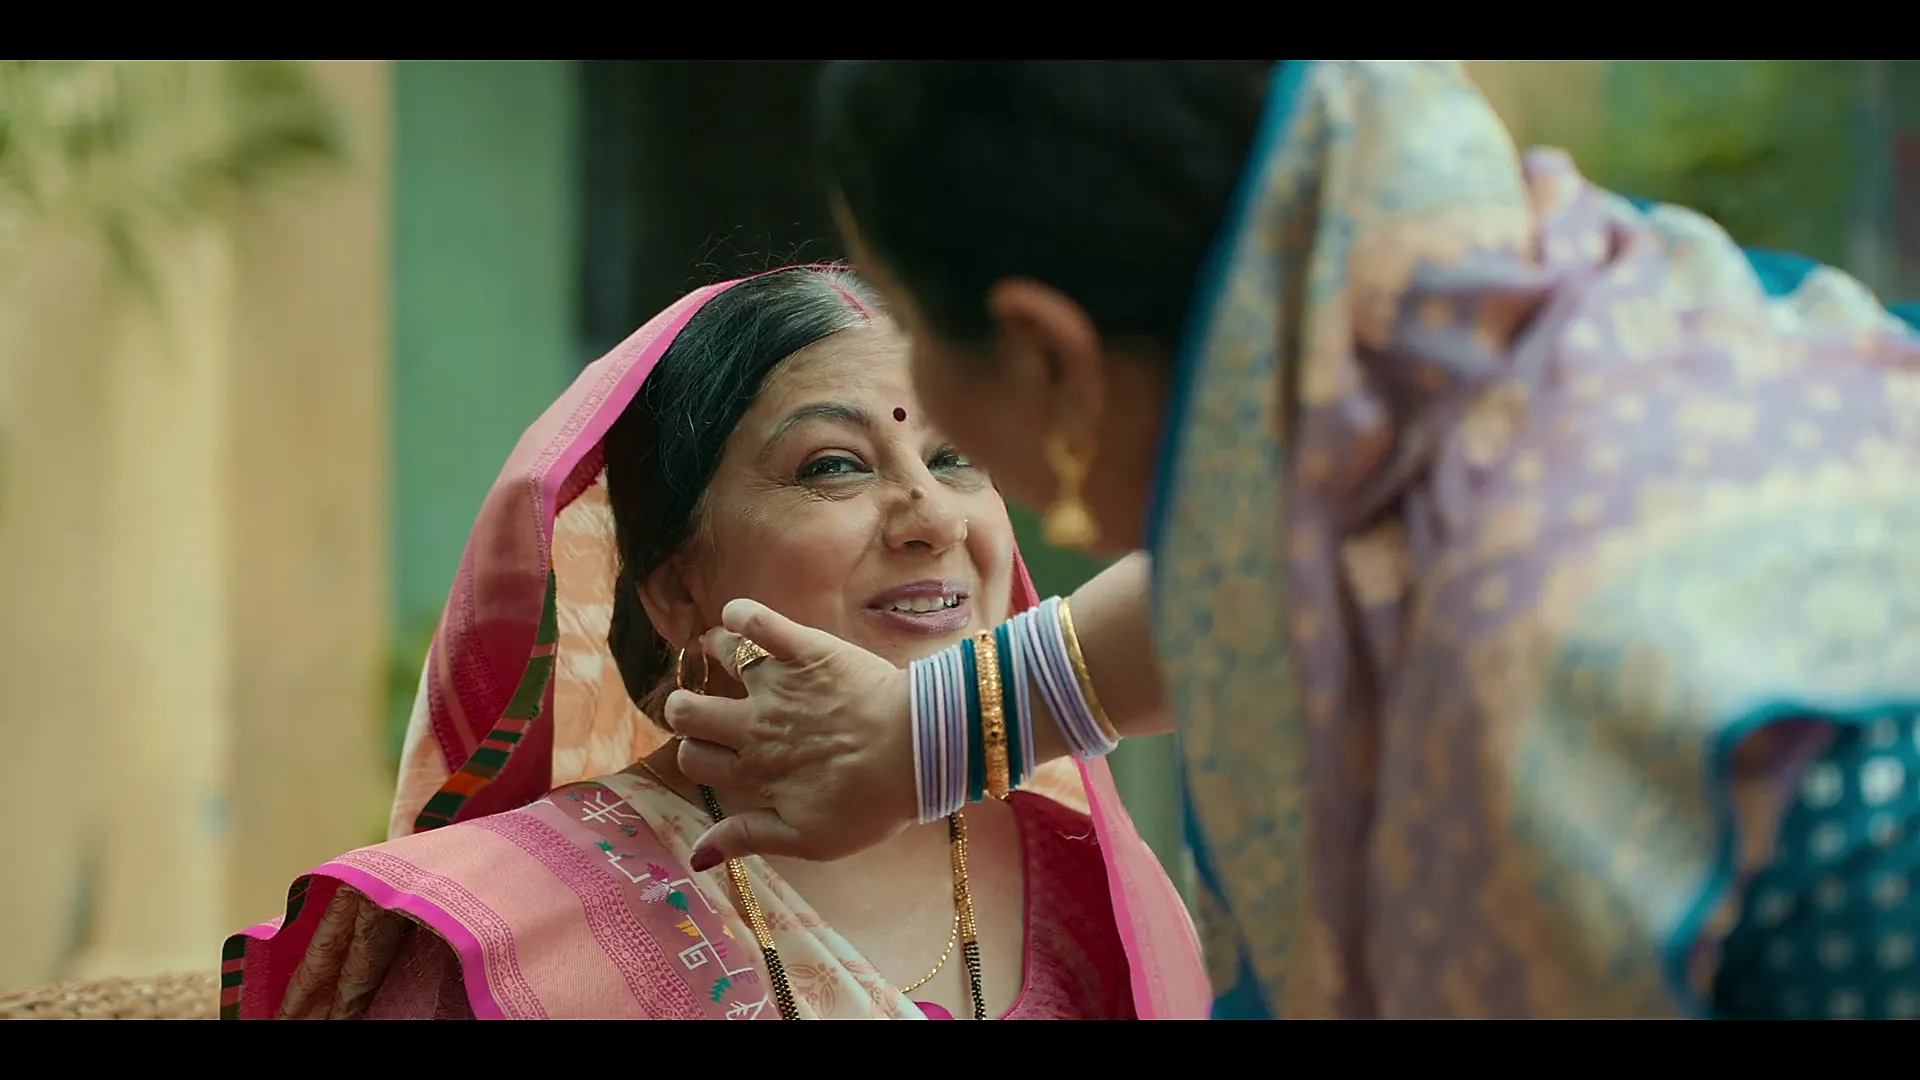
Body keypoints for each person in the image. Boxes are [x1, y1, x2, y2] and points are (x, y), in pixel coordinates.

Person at [659, 61, 1920, 1019]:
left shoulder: (1525, 664)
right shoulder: (1541, 329)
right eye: (833, 464)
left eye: (913, 331)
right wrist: (927, 733)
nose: (933, 512)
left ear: (1049, 359)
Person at [220, 266, 1210, 1020]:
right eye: (833, 466)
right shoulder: (521, 937)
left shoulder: (1094, 888)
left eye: (956, 457)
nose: (933, 516)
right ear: (674, 590)